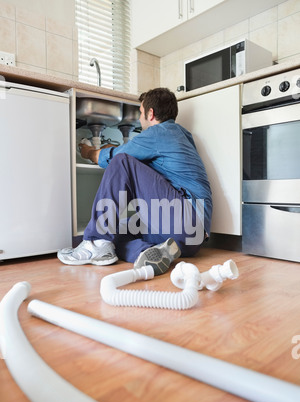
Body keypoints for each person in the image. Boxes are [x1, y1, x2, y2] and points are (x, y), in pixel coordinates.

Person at [58, 88, 212, 275]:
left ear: (150, 113)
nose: (140, 119)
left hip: (183, 220)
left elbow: (117, 157)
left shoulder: (158, 132)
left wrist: (89, 152)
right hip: (189, 239)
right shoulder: (181, 135)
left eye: (140, 112)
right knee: (115, 237)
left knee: (120, 162)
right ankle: (151, 253)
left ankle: (95, 242)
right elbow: (135, 156)